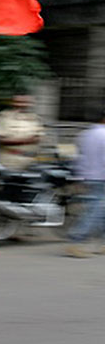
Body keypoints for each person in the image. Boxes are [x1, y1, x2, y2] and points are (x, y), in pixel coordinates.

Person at [64, 110, 105, 258]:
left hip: (88, 176)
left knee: (99, 209)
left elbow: (79, 157)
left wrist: (79, 176)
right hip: (101, 177)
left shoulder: (86, 134)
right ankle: (76, 240)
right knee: (95, 211)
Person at [0, 94, 45, 170]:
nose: (22, 105)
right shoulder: (3, 117)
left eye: (25, 102)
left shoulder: (35, 118)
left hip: (30, 160)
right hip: (8, 159)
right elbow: (0, 139)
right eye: (19, 102)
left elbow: (38, 138)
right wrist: (27, 140)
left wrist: (17, 140)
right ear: (13, 103)